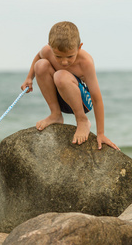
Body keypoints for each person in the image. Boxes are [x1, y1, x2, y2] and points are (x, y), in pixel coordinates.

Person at [21, 21, 119, 150]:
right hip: (60, 96)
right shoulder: (47, 51)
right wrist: (29, 77)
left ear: (79, 47)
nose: (64, 61)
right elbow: (38, 56)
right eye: (58, 56)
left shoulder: (85, 62)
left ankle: (82, 120)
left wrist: (101, 133)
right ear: (50, 47)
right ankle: (55, 114)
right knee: (40, 65)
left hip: (83, 102)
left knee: (60, 75)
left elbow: (96, 97)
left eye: (70, 56)